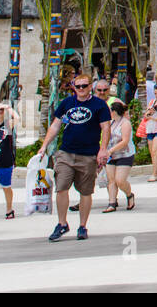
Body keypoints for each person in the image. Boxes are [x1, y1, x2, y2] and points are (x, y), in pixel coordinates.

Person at [37, 73, 111, 241]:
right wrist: (44, 146)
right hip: (66, 153)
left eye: (84, 86)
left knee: (85, 191)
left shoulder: (99, 105)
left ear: (90, 86)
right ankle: (62, 223)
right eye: (78, 86)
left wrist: (103, 149)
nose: (81, 89)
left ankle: (82, 226)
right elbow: (56, 125)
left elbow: (105, 128)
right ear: (74, 87)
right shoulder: (67, 103)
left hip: (88, 154)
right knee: (61, 187)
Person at [103, 100, 135, 212]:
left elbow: (125, 141)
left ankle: (129, 194)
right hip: (111, 155)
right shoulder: (110, 123)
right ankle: (112, 202)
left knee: (120, 180)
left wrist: (111, 150)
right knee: (111, 180)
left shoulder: (125, 123)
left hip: (124, 154)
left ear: (114, 111)